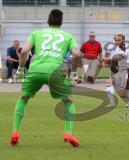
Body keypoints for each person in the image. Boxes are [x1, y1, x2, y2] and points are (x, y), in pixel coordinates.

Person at [10, 9, 81, 147]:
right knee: (68, 101)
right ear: (61, 22)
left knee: (24, 98)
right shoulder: (68, 36)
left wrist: (21, 68)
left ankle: (15, 132)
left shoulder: (36, 33)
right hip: (55, 71)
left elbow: (24, 51)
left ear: (48, 20)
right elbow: (76, 55)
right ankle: (68, 133)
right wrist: (71, 69)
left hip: (35, 69)